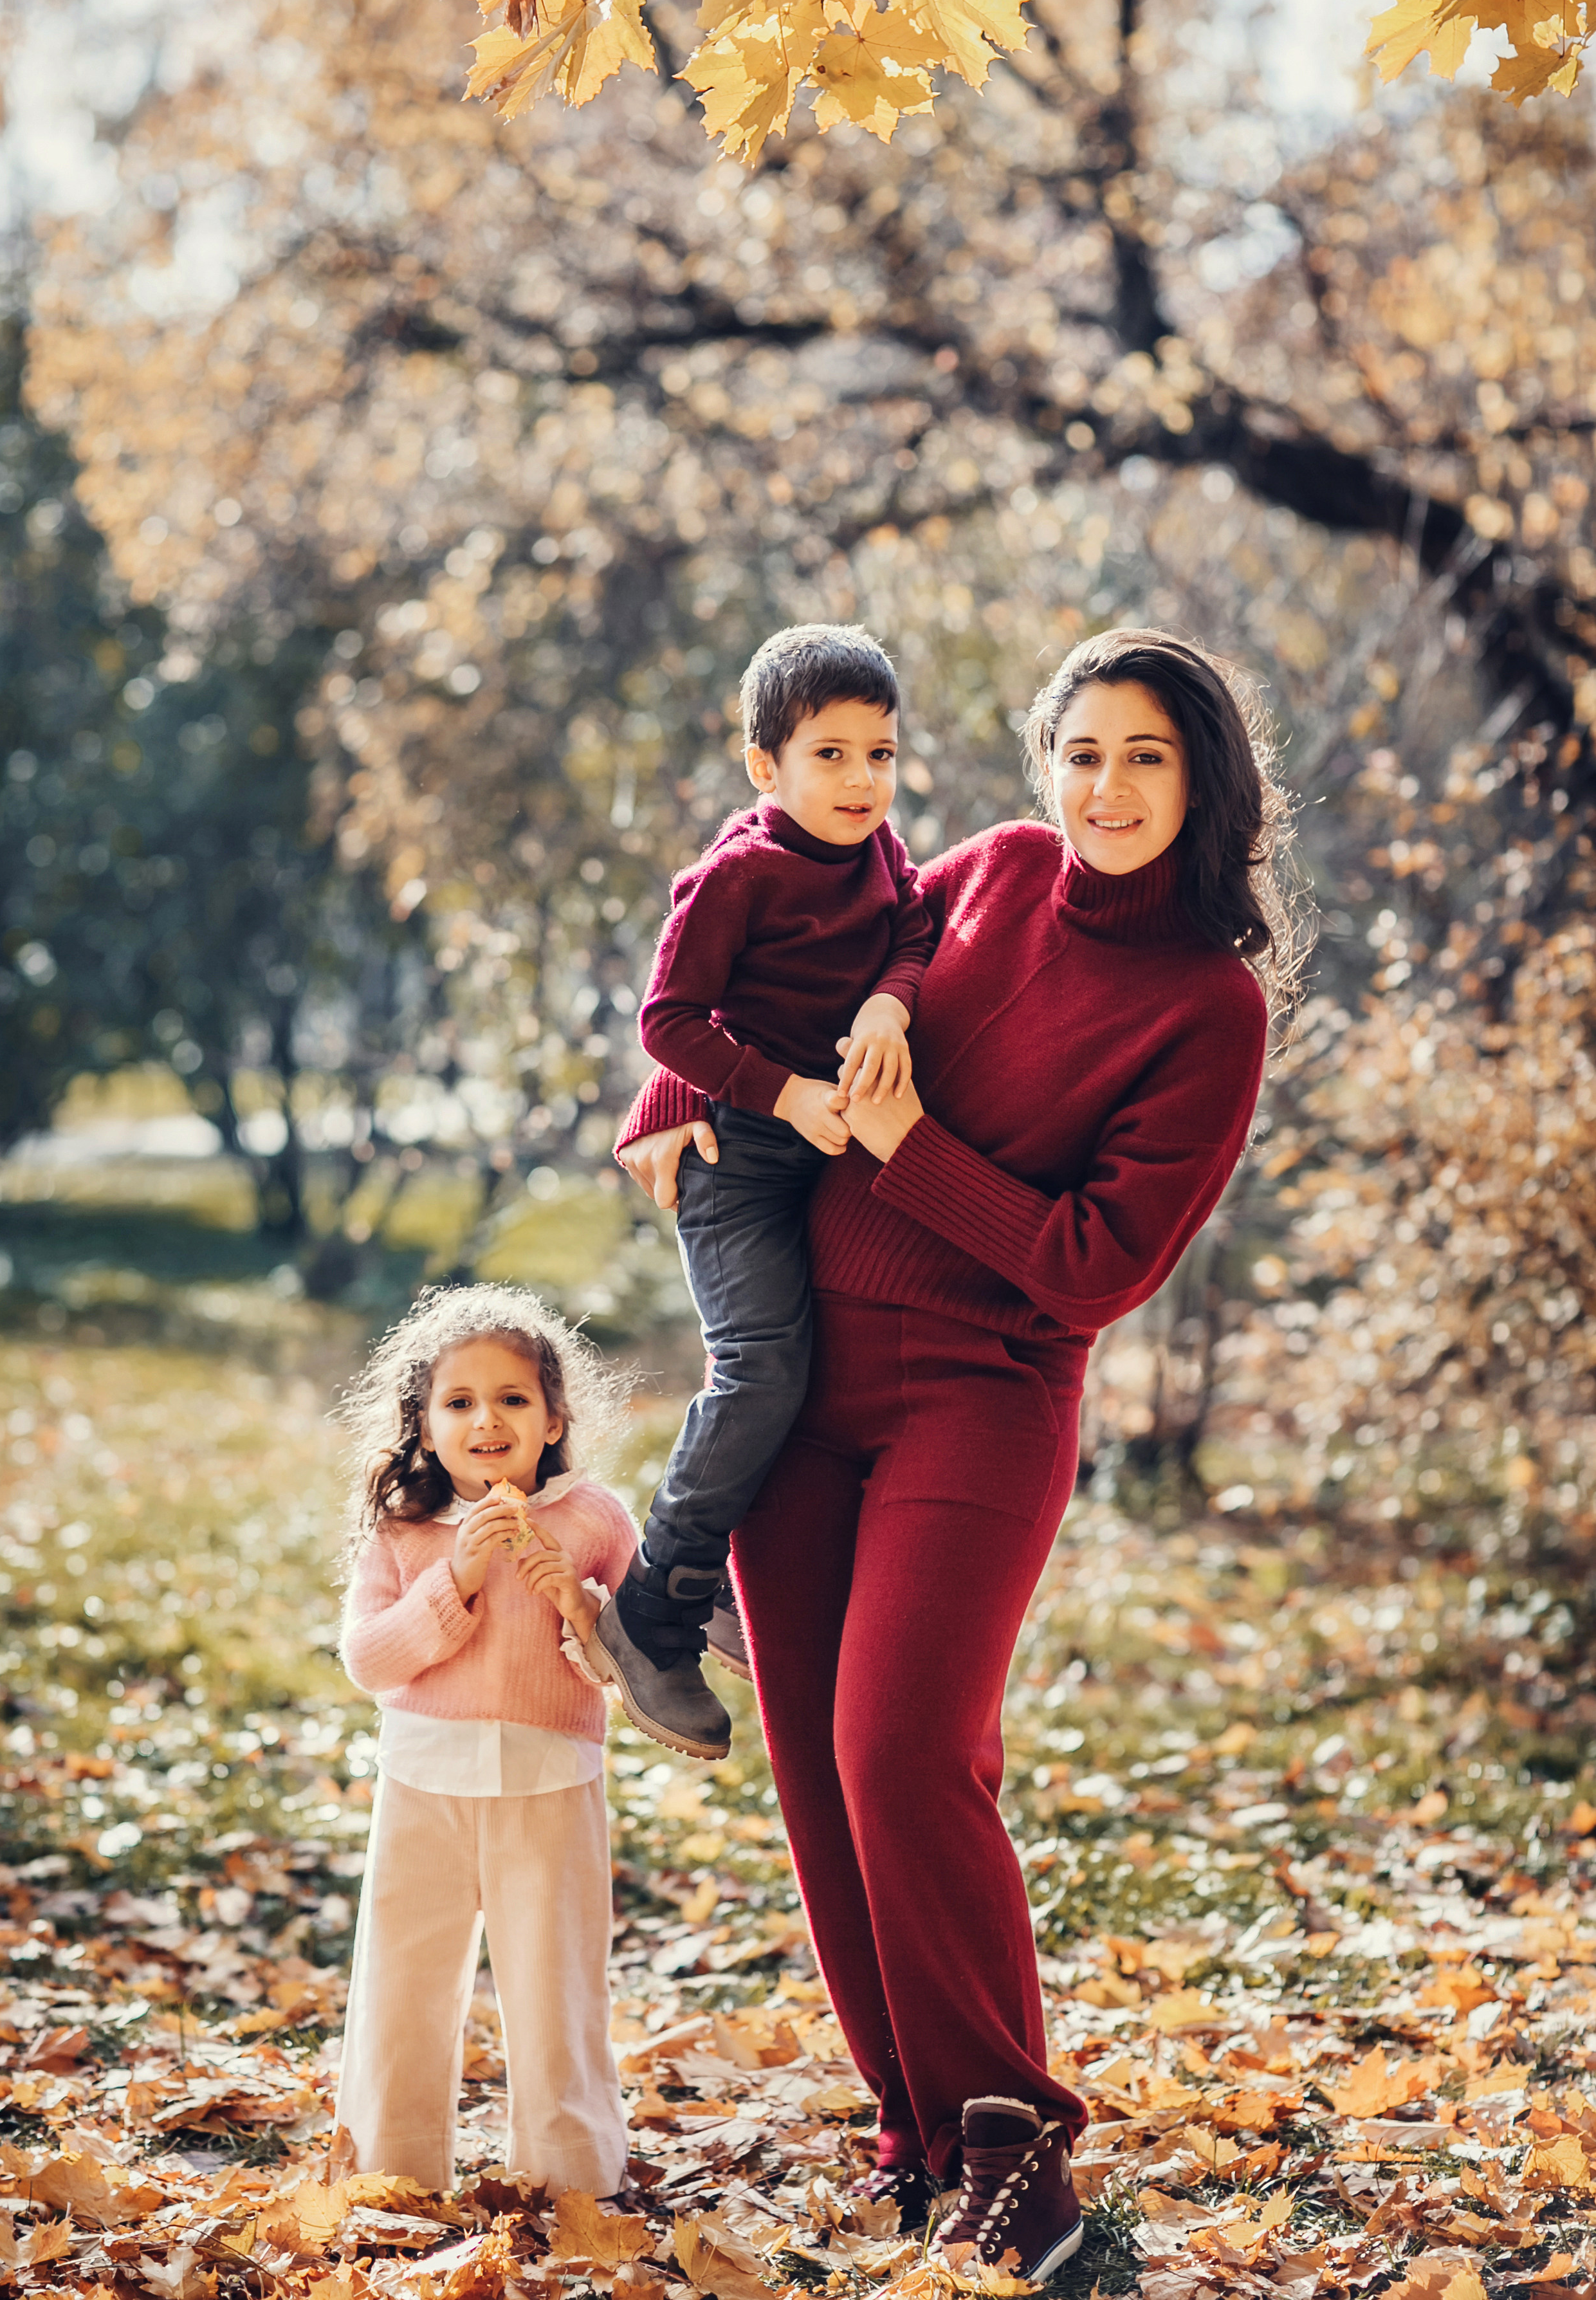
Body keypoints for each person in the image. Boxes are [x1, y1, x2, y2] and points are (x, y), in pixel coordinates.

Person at [615, 630, 1310, 2283]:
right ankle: (917, 2141)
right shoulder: (987, 871)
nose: (1106, 787)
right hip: (804, 1395)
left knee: (904, 1752)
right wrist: (672, 1087)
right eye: (1081, 751)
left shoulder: (1208, 1008)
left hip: (982, 1399)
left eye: (1145, 756)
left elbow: (1092, 1263)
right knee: (817, 1774)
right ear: (1039, 762)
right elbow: (820, 963)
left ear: (1204, 779)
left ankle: (1011, 2136)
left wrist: (908, 1146)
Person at [589, 624, 935, 1763]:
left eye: (879, 754)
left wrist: (889, 1002)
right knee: (761, 1365)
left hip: (824, 1146)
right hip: (738, 1151)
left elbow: (919, 921)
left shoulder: (880, 856)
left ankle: (733, 1570)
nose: (860, 780)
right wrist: (782, 1094)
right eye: (829, 755)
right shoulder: (736, 876)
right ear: (763, 766)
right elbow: (668, 1023)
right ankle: (653, 1606)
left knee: (828, 1365)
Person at [332, 1282, 637, 2198]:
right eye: (459, 1402)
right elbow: (368, 1660)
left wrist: (582, 1612)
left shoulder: (594, 1519)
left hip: (550, 1785)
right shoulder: (403, 1529)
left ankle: (572, 2177)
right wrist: (453, 1580)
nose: (486, 1419)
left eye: (511, 1398)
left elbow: (634, 1669)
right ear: (424, 1425)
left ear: (552, 1417)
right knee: (402, 1985)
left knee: (555, 1991)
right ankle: (392, 2172)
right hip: (421, 1784)